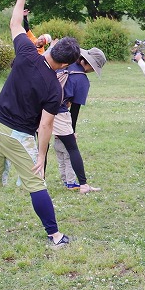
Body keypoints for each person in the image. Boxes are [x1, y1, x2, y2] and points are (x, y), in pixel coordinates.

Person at [0, 0, 79, 248]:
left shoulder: (25, 52)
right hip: (18, 136)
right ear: (65, 62)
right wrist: (41, 155)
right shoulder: (54, 88)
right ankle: (55, 235)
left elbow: (14, 24)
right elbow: (45, 127)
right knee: (37, 184)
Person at [51, 47, 106, 193]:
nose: (92, 71)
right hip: (59, 112)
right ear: (87, 64)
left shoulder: (65, 64)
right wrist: (72, 131)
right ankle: (83, 185)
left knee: (42, 150)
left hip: (40, 109)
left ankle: (39, 184)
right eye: (94, 68)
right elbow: (74, 110)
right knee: (72, 148)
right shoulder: (82, 79)